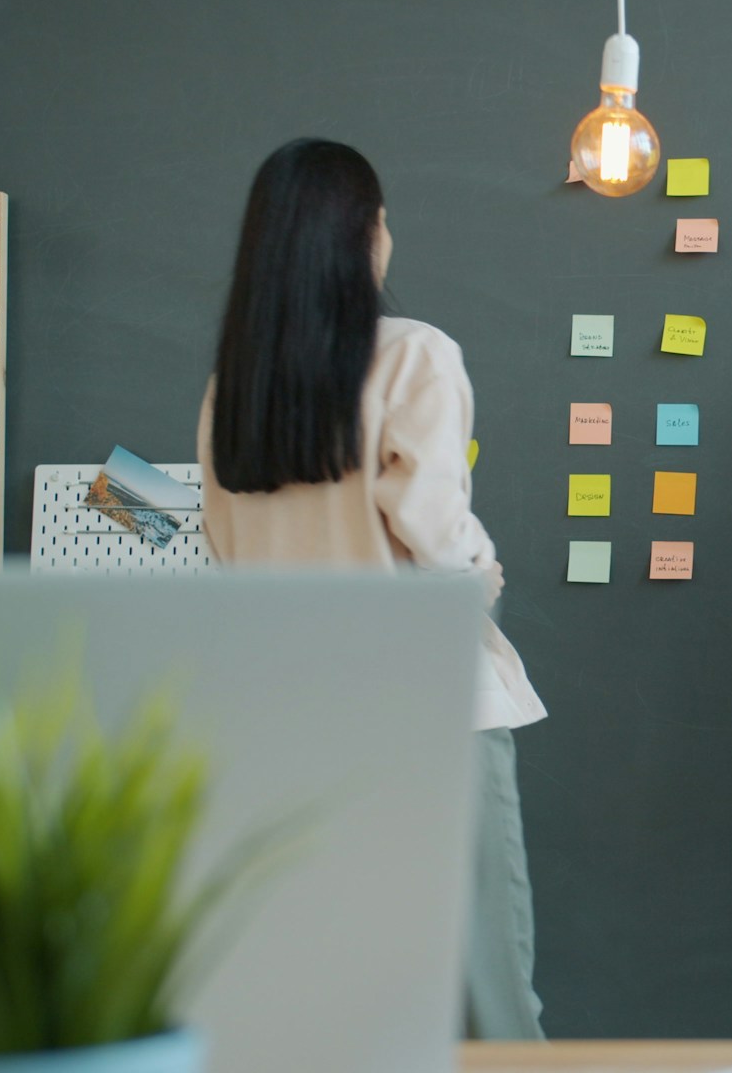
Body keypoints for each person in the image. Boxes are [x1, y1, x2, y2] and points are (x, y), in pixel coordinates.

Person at [196, 138, 548, 1040]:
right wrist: (486, 577)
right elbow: (439, 541)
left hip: (293, 717)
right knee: (492, 1002)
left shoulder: (228, 392)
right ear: (364, 234)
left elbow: (228, 554)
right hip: (434, 707)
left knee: (334, 1003)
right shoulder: (414, 357)